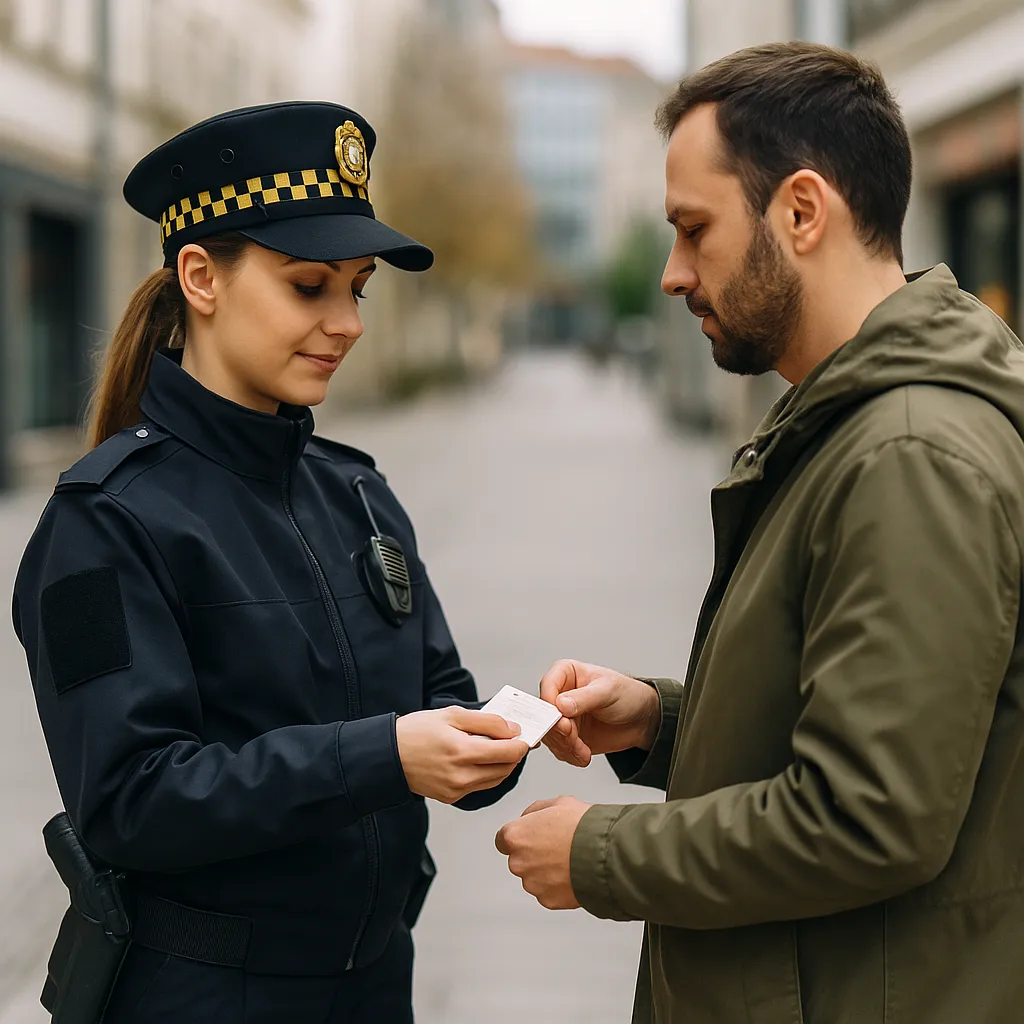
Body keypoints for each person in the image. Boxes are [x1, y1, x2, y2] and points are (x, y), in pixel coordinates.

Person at [495, 42, 1024, 1024]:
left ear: (801, 211)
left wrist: (598, 853)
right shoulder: (848, 421)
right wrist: (658, 722)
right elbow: (880, 724)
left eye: (694, 230)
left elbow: (867, 814)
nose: (671, 274)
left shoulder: (905, 453)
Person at [13, 101, 531, 1024]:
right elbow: (131, 801)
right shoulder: (105, 523)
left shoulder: (356, 492)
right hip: (207, 998)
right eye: (308, 287)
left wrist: (491, 738)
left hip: (375, 986)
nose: (348, 323)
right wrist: (385, 755)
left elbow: (439, 687)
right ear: (201, 277)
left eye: (358, 289)